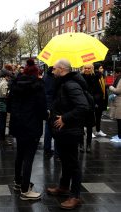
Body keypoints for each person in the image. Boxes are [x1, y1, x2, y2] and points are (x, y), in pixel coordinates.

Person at [47, 59, 88, 210]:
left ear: (62, 69)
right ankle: (64, 187)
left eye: (54, 68)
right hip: (62, 132)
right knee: (65, 161)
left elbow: (83, 106)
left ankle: (75, 196)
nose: (52, 71)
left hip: (71, 131)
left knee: (73, 164)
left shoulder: (71, 84)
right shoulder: (63, 83)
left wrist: (65, 118)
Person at [8, 59, 47, 201]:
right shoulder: (38, 85)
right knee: (29, 157)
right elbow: (42, 108)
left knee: (20, 153)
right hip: (32, 125)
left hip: (18, 124)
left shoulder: (15, 83)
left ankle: (18, 182)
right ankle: (25, 190)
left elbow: (9, 105)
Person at [43, 66, 58, 159]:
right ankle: (57, 152)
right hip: (55, 106)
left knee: (48, 128)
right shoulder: (54, 77)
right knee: (56, 128)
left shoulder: (46, 76)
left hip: (48, 105)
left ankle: (47, 149)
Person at [81, 64, 96, 153]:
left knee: (89, 127)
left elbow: (98, 91)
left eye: (88, 68)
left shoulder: (94, 78)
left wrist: (93, 99)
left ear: (92, 69)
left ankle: (89, 145)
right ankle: (81, 144)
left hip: (90, 106)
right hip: (81, 105)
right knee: (80, 126)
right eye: (85, 68)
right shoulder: (80, 77)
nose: (87, 69)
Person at [0, 69, 11, 143]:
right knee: (3, 120)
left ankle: (1, 136)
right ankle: (2, 137)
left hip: (0, 101)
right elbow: (5, 94)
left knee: (2, 119)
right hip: (4, 102)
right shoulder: (5, 83)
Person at [94, 63, 108, 137]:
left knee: (98, 116)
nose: (102, 69)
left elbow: (103, 88)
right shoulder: (95, 76)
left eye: (102, 68)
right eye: (100, 68)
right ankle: (90, 130)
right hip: (96, 100)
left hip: (101, 100)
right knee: (92, 116)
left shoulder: (102, 76)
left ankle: (98, 130)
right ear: (96, 69)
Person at [109, 67, 121, 142]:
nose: (114, 74)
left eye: (115, 73)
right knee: (119, 120)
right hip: (118, 102)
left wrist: (111, 87)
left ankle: (120, 137)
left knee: (120, 120)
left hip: (120, 102)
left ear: (118, 73)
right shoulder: (119, 79)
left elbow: (118, 90)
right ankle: (119, 135)